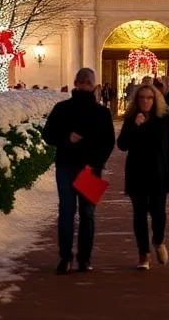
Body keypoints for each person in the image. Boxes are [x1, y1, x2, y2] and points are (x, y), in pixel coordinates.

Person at [42, 67, 116, 274]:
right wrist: (67, 138)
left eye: (87, 82)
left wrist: (97, 162)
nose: (84, 85)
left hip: (88, 168)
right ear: (76, 83)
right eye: (81, 82)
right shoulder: (62, 108)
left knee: (86, 214)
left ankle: (84, 258)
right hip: (67, 166)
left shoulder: (101, 112)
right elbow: (48, 135)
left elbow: (108, 142)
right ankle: (66, 257)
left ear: (93, 85)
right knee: (67, 212)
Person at [117, 82, 169, 270]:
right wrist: (134, 127)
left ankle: (159, 240)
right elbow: (122, 144)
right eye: (142, 97)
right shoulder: (131, 119)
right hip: (137, 173)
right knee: (139, 215)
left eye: (149, 97)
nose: (145, 101)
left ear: (155, 99)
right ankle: (143, 253)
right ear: (136, 100)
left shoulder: (164, 118)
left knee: (158, 213)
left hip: (159, 173)